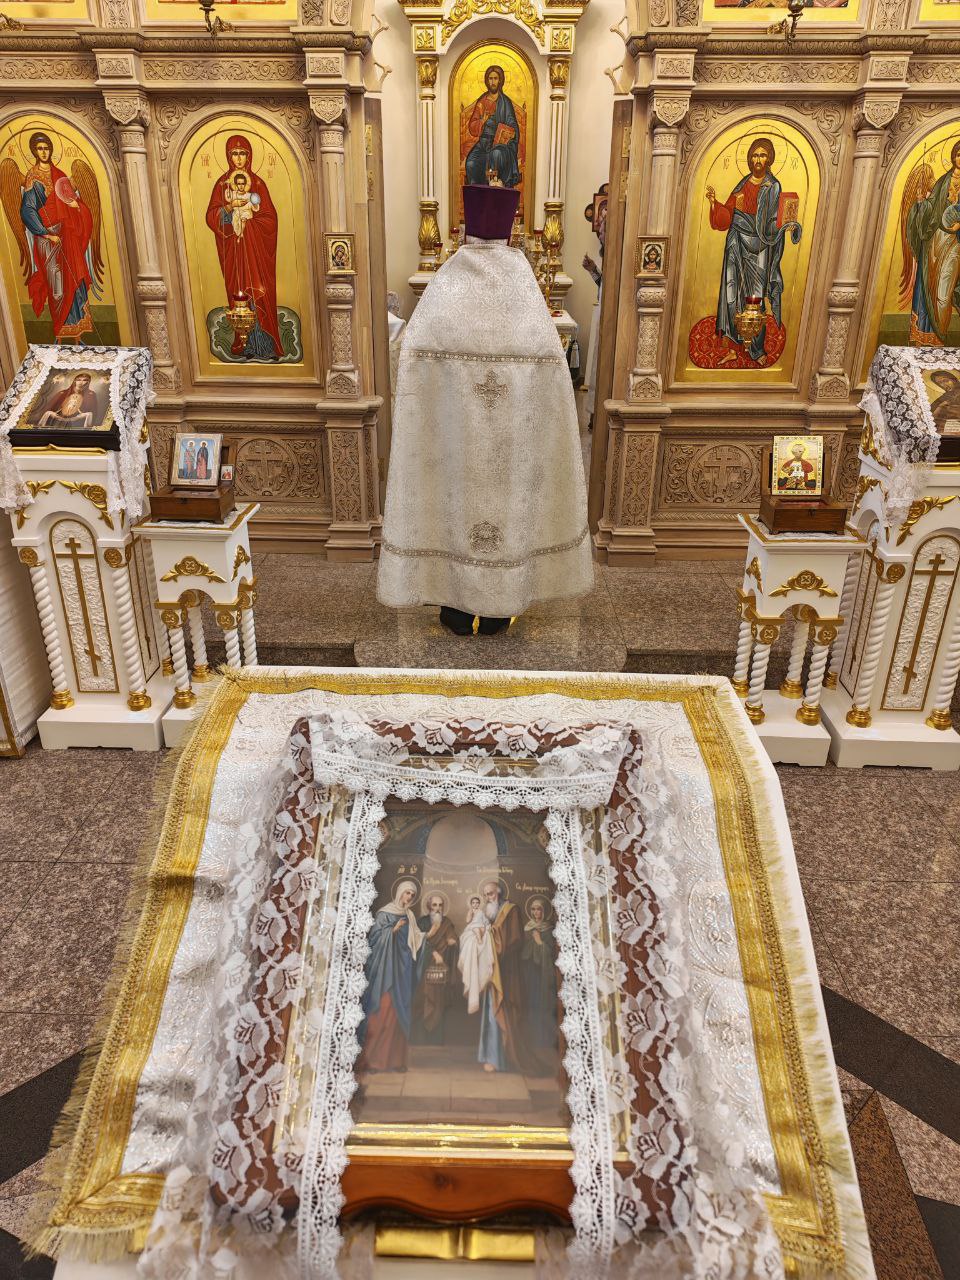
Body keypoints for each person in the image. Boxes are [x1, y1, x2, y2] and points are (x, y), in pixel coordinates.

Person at [378, 184, 593, 636]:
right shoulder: (523, 285)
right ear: (509, 231)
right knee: (508, 501)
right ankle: (499, 608)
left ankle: (454, 609)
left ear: (467, 228)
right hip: (511, 441)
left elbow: (414, 357)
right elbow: (552, 372)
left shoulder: (447, 282)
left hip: (455, 438)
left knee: (453, 500)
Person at [705, 137, 802, 366]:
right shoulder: (743, 182)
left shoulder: (773, 186)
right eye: (755, 155)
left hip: (759, 245)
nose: (758, 159)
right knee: (731, 291)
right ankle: (733, 346)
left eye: (763, 155)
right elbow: (727, 214)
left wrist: (785, 226)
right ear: (750, 158)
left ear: (769, 159)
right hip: (736, 240)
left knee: (755, 295)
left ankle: (756, 350)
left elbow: (772, 220)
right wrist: (714, 203)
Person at [205, 134, 282, 360]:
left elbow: (270, 219)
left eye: (242, 153)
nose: (238, 158)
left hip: (256, 251)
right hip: (235, 252)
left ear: (249, 156)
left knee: (260, 293)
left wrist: (251, 224)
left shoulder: (258, 185)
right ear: (228, 156)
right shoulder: (222, 185)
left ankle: (267, 346)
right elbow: (211, 217)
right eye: (234, 154)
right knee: (238, 294)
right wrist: (230, 208)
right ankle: (244, 345)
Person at [357, 881, 424, 1072]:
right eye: (407, 893)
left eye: (412, 895)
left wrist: (427, 938)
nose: (409, 897)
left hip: (402, 972)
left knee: (397, 1015)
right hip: (385, 972)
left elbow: (416, 940)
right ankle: (373, 1061)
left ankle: (395, 1061)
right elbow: (374, 940)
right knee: (381, 1012)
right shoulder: (384, 914)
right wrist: (392, 931)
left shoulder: (410, 916)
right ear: (400, 892)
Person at [901, 140, 960, 346]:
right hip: (934, 242)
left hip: (954, 244)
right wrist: (920, 204)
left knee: (944, 295)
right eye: (958, 154)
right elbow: (931, 209)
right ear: (953, 156)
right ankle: (925, 337)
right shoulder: (943, 181)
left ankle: (940, 338)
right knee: (928, 288)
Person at [475, 879, 525, 1073]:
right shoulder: (488, 913)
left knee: (499, 1011)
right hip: (492, 969)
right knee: (490, 1012)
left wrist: (491, 934)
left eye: (491, 893)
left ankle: (499, 1059)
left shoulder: (511, 910)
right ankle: (489, 1056)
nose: (489, 897)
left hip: (507, 970)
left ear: (499, 892)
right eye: (486, 895)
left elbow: (514, 939)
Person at [412, 891, 459, 1044]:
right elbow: (416, 943)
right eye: (434, 905)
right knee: (424, 1002)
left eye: (440, 905)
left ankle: (436, 1041)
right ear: (429, 907)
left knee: (439, 1004)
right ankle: (421, 1042)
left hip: (441, 969)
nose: (438, 908)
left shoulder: (447, 922)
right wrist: (432, 952)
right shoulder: (422, 922)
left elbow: (452, 938)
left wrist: (452, 941)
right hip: (424, 967)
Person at [464, 65, 521, 190]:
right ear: (486, 80)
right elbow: (472, 127)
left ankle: (497, 193)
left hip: (500, 144)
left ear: (500, 80)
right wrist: (482, 121)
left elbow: (513, 125)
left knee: (496, 154)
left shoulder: (505, 102)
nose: (493, 82)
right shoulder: (482, 101)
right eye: (490, 78)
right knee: (471, 162)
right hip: (483, 143)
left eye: (495, 78)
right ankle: (477, 195)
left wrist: (509, 133)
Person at [520, 898, 559, 1053]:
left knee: (542, 1005)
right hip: (529, 972)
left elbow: (551, 953)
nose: (536, 912)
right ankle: (529, 1041)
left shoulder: (549, 929)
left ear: (543, 911)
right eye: (534, 909)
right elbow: (522, 951)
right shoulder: (527, 928)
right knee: (529, 1005)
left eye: (539, 909)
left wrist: (539, 942)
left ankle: (543, 1041)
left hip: (543, 974)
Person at [457, 893, 495, 1015]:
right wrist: (470, 913)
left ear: (479, 904)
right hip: (473, 927)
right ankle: (478, 939)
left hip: (481, 927)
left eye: (477, 903)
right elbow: (468, 921)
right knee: (475, 928)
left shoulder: (481, 912)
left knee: (480, 928)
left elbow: (485, 921)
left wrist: (487, 926)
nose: (475, 905)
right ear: (471, 904)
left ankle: (479, 938)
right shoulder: (472, 911)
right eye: (473, 903)